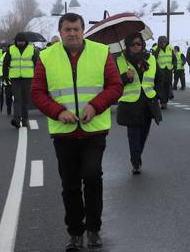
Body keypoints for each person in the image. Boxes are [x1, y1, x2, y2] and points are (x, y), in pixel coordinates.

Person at [31, 13, 123, 251]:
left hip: (94, 130)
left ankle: (93, 229)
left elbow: (115, 86)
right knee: (70, 185)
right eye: (67, 29)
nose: (72, 33)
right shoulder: (46, 57)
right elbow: (38, 92)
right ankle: (75, 233)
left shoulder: (101, 52)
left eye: (76, 29)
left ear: (83, 30)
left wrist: (95, 105)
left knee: (92, 177)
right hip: (64, 132)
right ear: (60, 32)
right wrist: (58, 112)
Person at [116, 32, 162, 174]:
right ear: (128, 46)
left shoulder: (151, 59)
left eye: (138, 44)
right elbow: (113, 82)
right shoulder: (120, 60)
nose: (136, 47)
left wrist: (158, 96)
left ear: (143, 45)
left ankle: (137, 156)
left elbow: (159, 78)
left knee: (143, 134)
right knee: (133, 135)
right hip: (131, 104)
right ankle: (136, 161)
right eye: (133, 44)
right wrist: (125, 77)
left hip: (148, 103)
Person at [3, 33, 38, 128]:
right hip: (15, 78)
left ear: (25, 41)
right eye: (19, 41)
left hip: (28, 78)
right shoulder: (11, 49)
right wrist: (5, 77)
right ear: (16, 41)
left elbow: (37, 64)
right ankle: (17, 120)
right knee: (17, 99)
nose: (20, 43)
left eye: (22, 41)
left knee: (25, 100)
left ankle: (25, 120)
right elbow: (5, 64)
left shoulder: (32, 49)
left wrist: (38, 77)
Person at [152, 36, 176, 109]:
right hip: (160, 71)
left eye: (164, 42)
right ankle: (163, 102)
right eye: (161, 42)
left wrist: (174, 66)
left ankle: (165, 100)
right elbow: (153, 60)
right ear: (159, 43)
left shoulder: (170, 48)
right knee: (161, 86)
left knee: (167, 86)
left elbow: (174, 58)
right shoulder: (156, 49)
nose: (163, 44)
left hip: (168, 70)